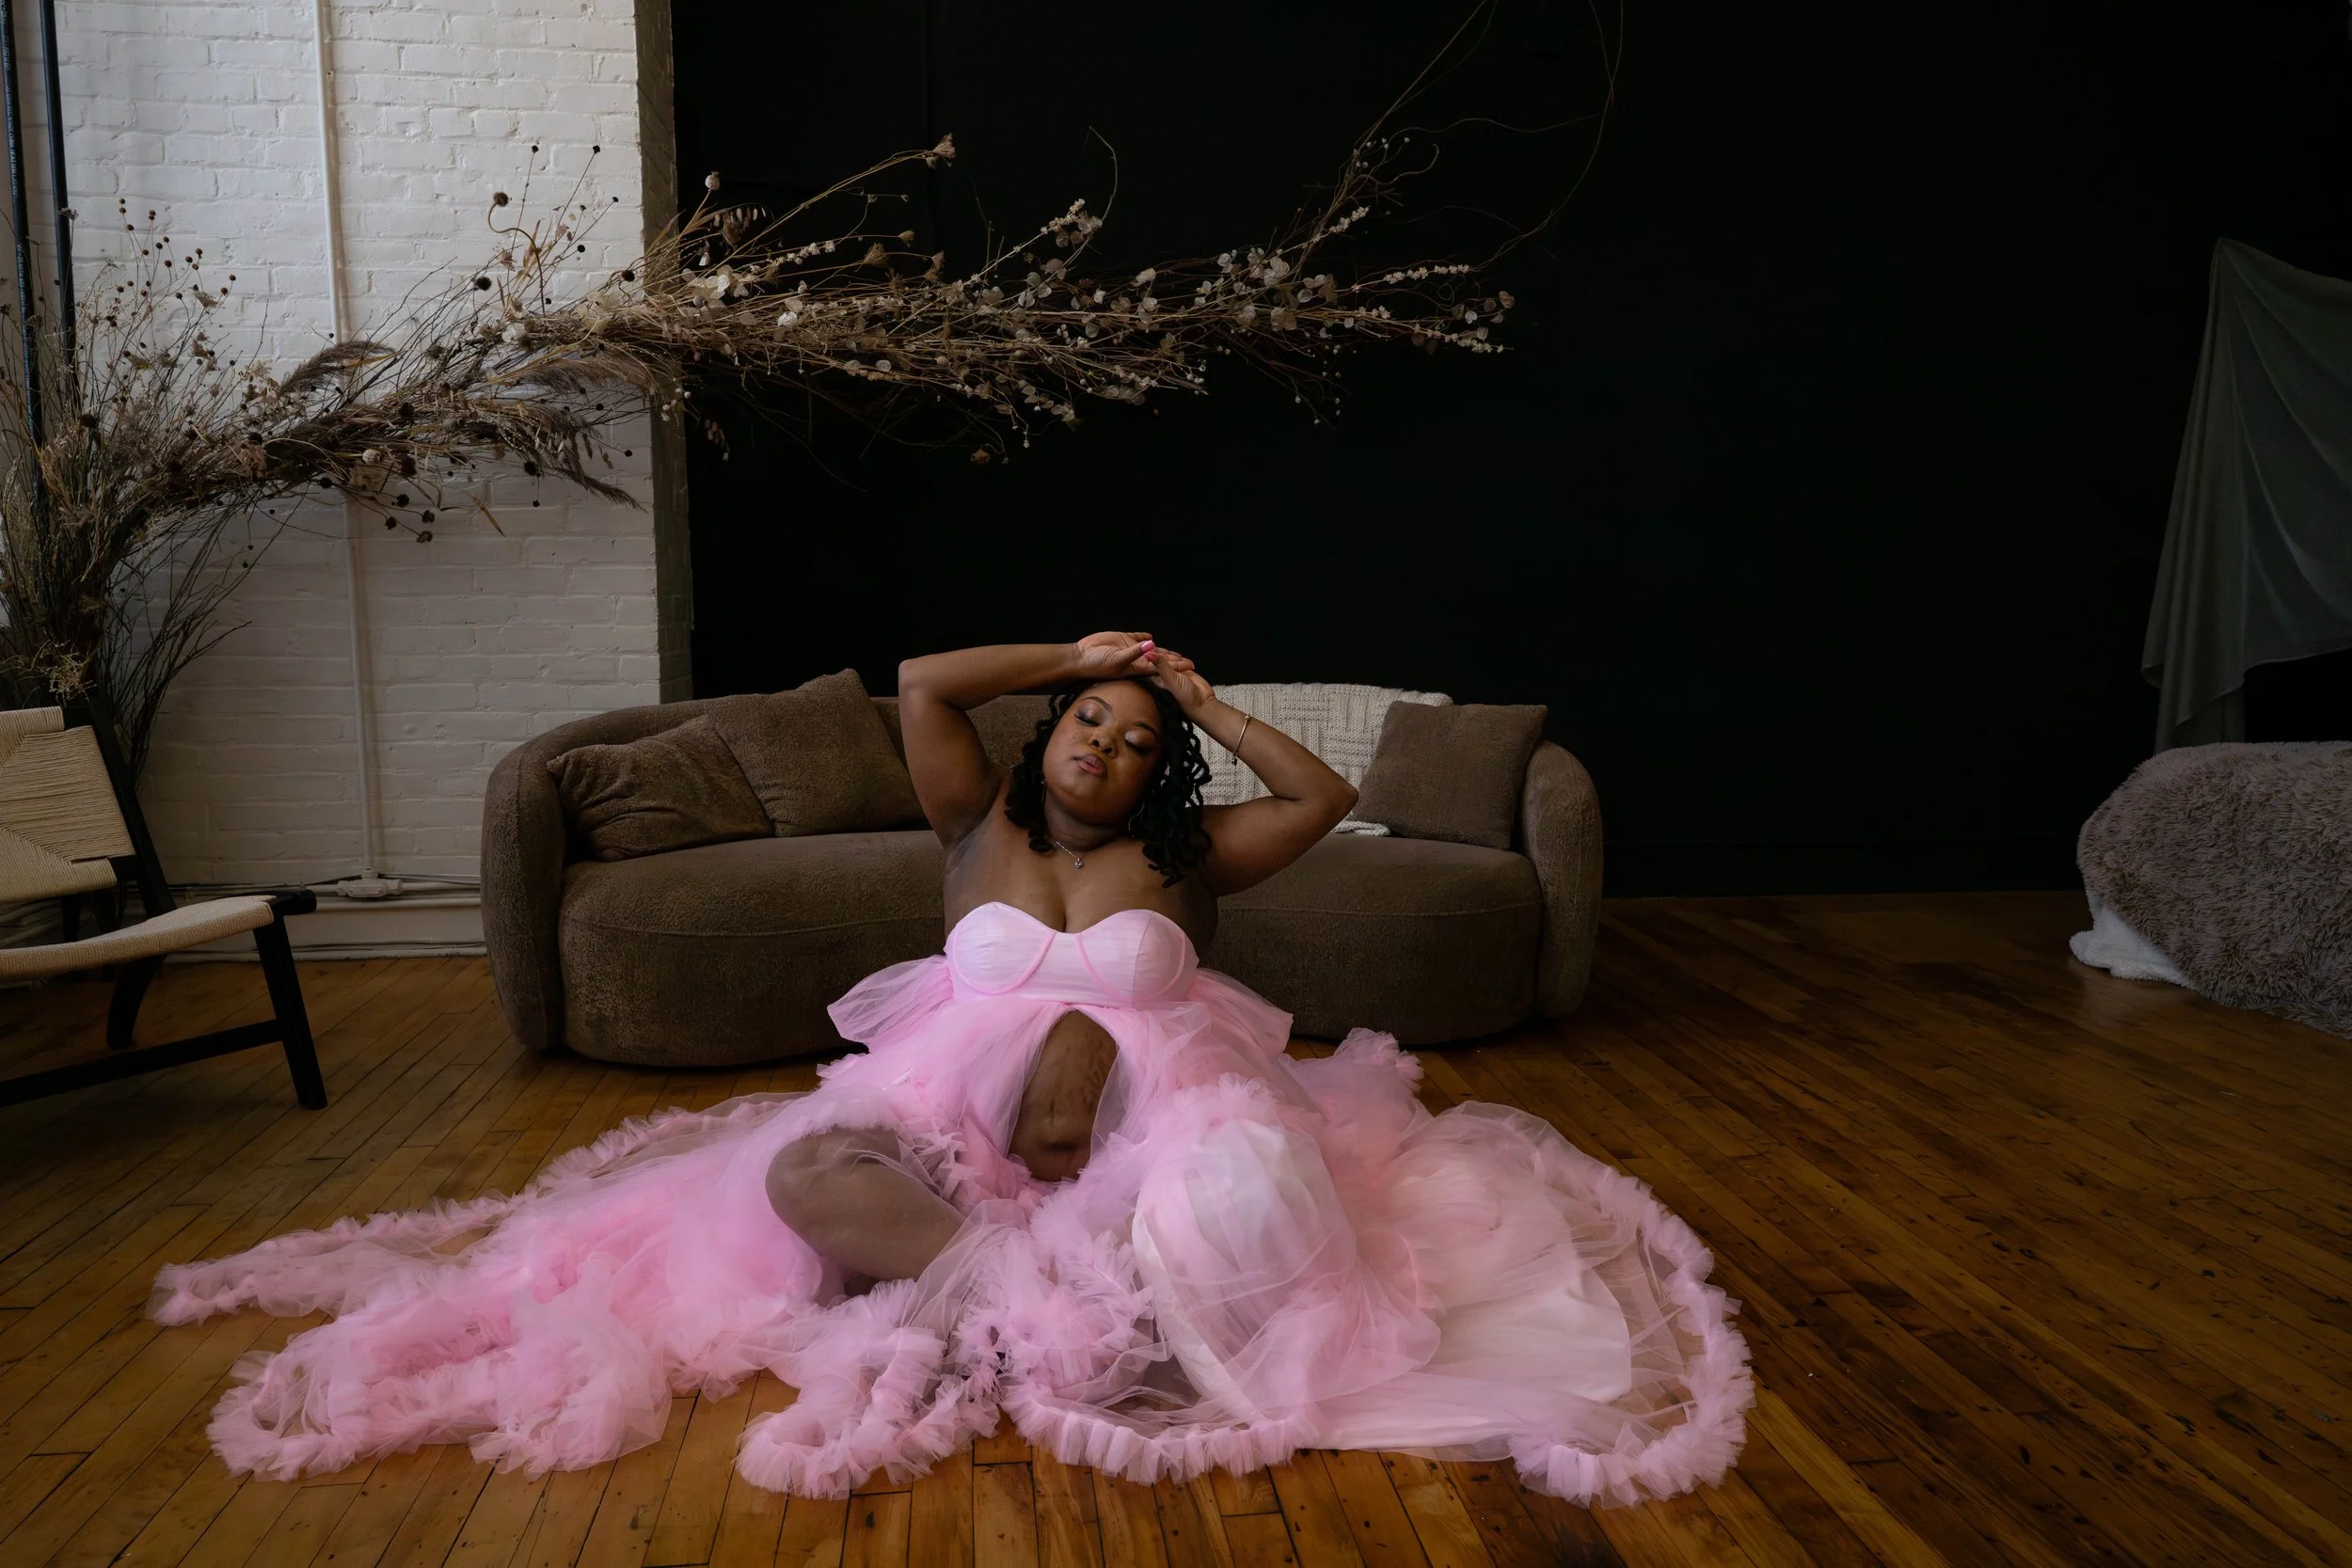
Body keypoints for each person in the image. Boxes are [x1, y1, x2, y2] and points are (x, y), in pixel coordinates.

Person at [151, 635, 1753, 1505]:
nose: (1106, 750)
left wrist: (1201, 702)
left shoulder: (1189, 867)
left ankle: (1099, 1285)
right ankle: (1009, 1282)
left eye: (1135, 741)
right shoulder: (972, 823)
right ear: (1045, 732)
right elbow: (921, 680)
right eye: (1088, 725)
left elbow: (1325, 793)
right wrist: (1072, 648)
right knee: (797, 1175)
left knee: (1207, 1157)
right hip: (949, 1119)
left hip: (1145, 1107)